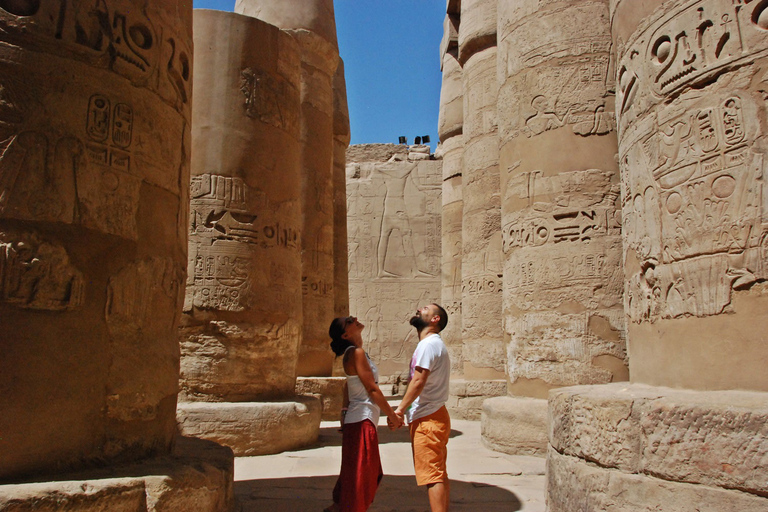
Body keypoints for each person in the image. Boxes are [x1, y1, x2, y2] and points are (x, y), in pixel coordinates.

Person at [325, 316, 403, 512]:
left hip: (360, 420)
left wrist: (343, 413)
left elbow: (348, 386)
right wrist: (392, 416)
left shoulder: (358, 353)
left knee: (359, 474)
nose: (355, 319)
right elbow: (372, 389)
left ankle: (338, 507)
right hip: (362, 420)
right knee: (362, 478)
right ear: (346, 334)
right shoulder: (356, 353)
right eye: (350, 321)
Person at [394, 304, 451, 512]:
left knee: (432, 475)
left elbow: (418, 381)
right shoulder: (433, 344)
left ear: (435, 319)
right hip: (434, 415)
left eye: (425, 309)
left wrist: (400, 409)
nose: (419, 309)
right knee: (438, 472)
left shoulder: (428, 345)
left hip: (428, 418)